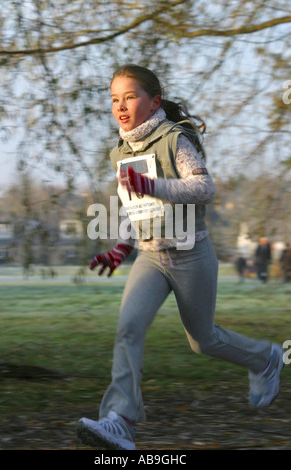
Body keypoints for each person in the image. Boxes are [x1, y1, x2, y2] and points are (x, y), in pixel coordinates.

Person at [76, 64, 284, 451]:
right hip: (150, 257)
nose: (120, 106)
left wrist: (152, 184)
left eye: (130, 97)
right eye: (114, 99)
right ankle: (120, 421)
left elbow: (203, 187)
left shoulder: (174, 139)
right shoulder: (118, 152)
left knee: (203, 341)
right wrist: (121, 248)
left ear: (154, 101)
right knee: (128, 330)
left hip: (191, 254)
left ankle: (266, 359)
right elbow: (132, 206)